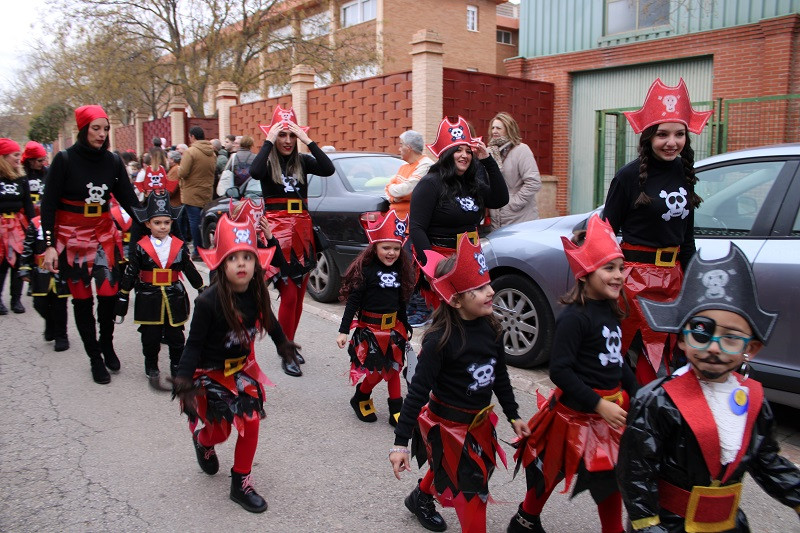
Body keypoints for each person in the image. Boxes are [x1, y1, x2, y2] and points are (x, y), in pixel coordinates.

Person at [617, 244, 800, 532]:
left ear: (750, 347)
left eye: (731, 338)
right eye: (701, 333)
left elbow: (766, 461)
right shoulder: (657, 400)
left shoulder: (754, 399)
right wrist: (648, 525)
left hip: (728, 525)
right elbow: (637, 470)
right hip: (669, 524)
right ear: (681, 338)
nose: (714, 347)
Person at [507, 214, 638, 533]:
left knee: (609, 480)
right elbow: (561, 373)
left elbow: (615, 361)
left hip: (607, 417)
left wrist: (640, 393)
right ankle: (525, 520)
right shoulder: (574, 319)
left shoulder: (611, 310)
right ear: (586, 272)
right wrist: (598, 404)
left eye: (620, 268)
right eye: (609, 268)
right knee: (550, 472)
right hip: (572, 417)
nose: (619, 275)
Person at [390, 234, 529, 533]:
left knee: (454, 469)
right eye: (478, 288)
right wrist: (400, 442)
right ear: (454, 299)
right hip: (448, 428)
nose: (490, 291)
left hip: (478, 425)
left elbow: (499, 376)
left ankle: (421, 497)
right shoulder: (440, 340)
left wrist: (514, 415)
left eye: (488, 283)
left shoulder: (492, 328)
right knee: (472, 494)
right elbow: (416, 393)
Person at [172, 214, 297, 513]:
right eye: (233, 258)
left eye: (247, 257)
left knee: (250, 422)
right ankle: (203, 441)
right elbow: (193, 345)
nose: (241, 264)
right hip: (210, 374)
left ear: (256, 263)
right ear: (221, 264)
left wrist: (284, 346)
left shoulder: (257, 294)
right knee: (221, 431)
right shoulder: (207, 302)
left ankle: (240, 482)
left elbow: (270, 321)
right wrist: (184, 379)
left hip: (241, 371)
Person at [603, 78, 712, 384]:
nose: (671, 142)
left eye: (679, 134)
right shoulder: (627, 177)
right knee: (634, 359)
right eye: (663, 134)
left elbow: (686, 238)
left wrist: (695, 282)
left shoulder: (685, 172)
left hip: (673, 281)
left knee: (669, 358)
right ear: (649, 136)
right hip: (634, 284)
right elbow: (606, 233)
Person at [40, 105, 141, 384]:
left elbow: (129, 200)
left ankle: (106, 343)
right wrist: (49, 245)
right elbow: (48, 204)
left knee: (108, 295)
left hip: (103, 236)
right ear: (83, 129)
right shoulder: (64, 159)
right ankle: (94, 357)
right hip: (72, 240)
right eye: (96, 128)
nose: (101, 133)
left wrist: (155, 226)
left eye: (105, 128)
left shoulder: (113, 161)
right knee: (83, 301)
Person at [249, 105, 335, 376]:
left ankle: (290, 343)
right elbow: (253, 171)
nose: (287, 141)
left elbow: (328, 168)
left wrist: (308, 140)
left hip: (302, 231)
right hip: (277, 233)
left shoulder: (304, 161)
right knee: (287, 294)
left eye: (291, 135)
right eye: (282, 135)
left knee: (299, 295)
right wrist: (268, 140)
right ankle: (284, 349)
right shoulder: (266, 162)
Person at [408, 115, 509, 309]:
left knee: (472, 315)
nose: (465, 155)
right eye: (458, 150)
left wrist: (487, 161)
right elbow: (417, 228)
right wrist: (433, 268)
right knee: (449, 317)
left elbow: (500, 199)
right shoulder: (430, 183)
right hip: (443, 262)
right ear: (447, 154)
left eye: (468, 151)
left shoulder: (472, 184)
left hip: (471, 259)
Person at [115, 191, 205, 386]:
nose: (163, 226)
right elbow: (131, 271)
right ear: (148, 224)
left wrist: (201, 287)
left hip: (174, 295)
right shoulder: (141, 247)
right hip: (149, 296)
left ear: (172, 223)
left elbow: (188, 268)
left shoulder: (179, 246)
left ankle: (177, 365)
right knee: (150, 336)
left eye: (166, 222)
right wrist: (123, 293)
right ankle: (151, 364)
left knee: (176, 335)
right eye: (157, 223)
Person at [336, 210, 414, 425]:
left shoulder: (400, 270)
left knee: (394, 368)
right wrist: (344, 330)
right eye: (386, 248)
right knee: (378, 372)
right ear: (375, 247)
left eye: (396, 248)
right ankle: (361, 395)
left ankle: (396, 410)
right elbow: (352, 303)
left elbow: (400, 302)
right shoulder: (366, 271)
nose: (391, 253)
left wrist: (405, 324)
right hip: (370, 331)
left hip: (394, 329)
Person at [19, 214, 70, 350]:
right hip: (40, 271)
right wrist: (25, 268)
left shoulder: (66, 221)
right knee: (39, 304)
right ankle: (50, 323)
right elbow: (28, 246)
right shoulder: (35, 223)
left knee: (60, 306)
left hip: (61, 270)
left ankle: (61, 336)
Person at [487, 112, 542, 229]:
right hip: (496, 220)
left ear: (508, 129)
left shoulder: (522, 150)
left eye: (498, 128)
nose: (494, 131)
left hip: (521, 219)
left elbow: (534, 182)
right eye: (492, 127)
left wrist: (512, 204)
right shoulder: (489, 152)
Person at [0, 138, 35, 314]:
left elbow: (28, 204)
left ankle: (16, 299)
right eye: (15, 155)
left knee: (18, 263)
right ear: (3, 157)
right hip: (0, 226)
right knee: (2, 264)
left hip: (16, 225)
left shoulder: (21, 178)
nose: (18, 158)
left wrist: (33, 226)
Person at [178, 127, 216, 259]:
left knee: (194, 222)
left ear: (192, 136)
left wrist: (177, 170)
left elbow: (183, 172)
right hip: (206, 192)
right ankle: (205, 248)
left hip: (192, 192)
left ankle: (198, 251)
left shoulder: (191, 152)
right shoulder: (212, 152)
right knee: (203, 222)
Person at [385, 130, 434, 220]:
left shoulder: (426, 165)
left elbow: (408, 190)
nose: (399, 149)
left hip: (413, 223)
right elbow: (387, 187)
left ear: (408, 147)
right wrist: (395, 197)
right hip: (398, 222)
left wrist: (394, 194)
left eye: (401, 145)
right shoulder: (404, 166)